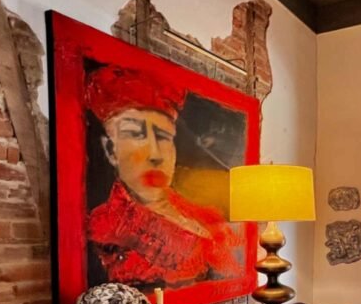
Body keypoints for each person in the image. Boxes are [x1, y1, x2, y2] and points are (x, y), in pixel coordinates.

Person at [84, 66, 243, 288]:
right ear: (111, 151)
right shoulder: (107, 231)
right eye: (136, 135)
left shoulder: (197, 211)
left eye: (164, 137)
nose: (156, 155)